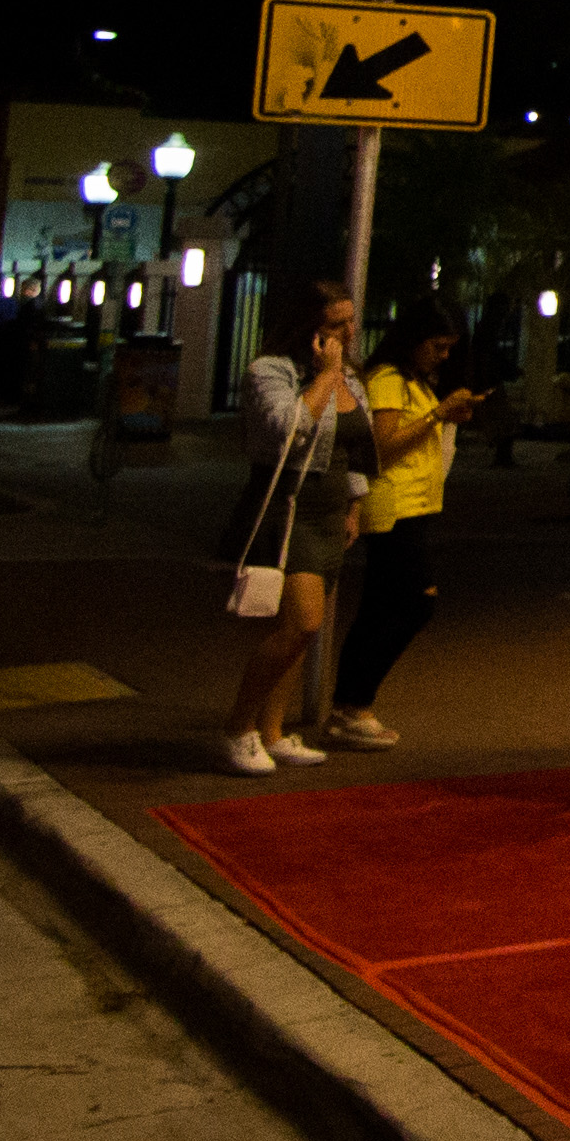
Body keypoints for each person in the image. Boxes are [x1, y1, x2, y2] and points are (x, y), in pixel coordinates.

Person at [310, 303, 471, 747]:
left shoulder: (415, 382)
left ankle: (351, 705)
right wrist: (437, 416)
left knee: (380, 607)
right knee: (415, 602)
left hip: (416, 503)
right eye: (437, 347)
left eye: (449, 349)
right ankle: (352, 703)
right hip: (394, 504)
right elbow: (382, 444)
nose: (443, 356)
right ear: (414, 340)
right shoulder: (388, 379)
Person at [223, 278, 362, 777]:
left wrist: (355, 505)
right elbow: (287, 428)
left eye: (350, 321)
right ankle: (239, 728)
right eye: (335, 324)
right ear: (309, 329)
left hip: (330, 512)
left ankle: (274, 731)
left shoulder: (351, 376)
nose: (348, 333)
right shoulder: (270, 371)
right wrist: (326, 377)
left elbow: (356, 444)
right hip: (290, 508)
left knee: (302, 632)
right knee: (301, 621)